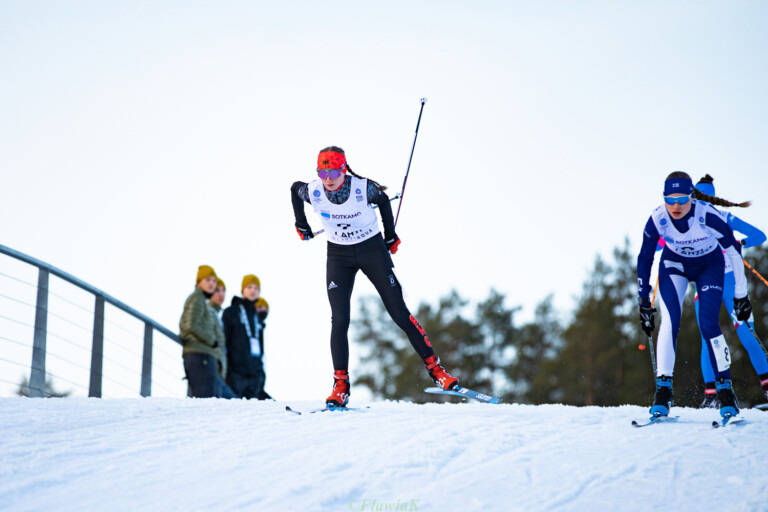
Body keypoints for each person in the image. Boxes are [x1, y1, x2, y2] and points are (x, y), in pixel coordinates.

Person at [290, 146, 458, 407]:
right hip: (338, 256)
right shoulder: (313, 190)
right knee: (340, 319)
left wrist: (390, 236)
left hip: (371, 250)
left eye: (333, 171)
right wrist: (301, 224)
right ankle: (341, 385)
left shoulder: (362, 188)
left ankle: (437, 372)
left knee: (399, 313)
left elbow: (381, 201)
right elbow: (294, 188)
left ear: (343, 169)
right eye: (322, 172)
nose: (328, 178)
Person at [637, 171, 752, 419]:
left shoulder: (707, 215)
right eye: (670, 199)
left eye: (681, 199)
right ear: (664, 198)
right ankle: (663, 392)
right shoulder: (658, 219)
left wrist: (741, 295)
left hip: (709, 266)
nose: (676, 205)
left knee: (708, 323)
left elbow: (733, 252)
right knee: (670, 321)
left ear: (692, 197)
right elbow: (645, 258)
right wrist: (643, 300)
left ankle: (725, 392)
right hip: (674, 265)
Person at [690, 175, 768, 407]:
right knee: (712, 338)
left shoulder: (722, 217)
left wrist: (739, 244)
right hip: (710, 285)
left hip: (728, 283)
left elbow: (759, 235)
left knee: (741, 333)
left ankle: (714, 396)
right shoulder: (696, 220)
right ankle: (712, 397)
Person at [180, 265, 237, 398]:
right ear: (199, 282)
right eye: (207, 280)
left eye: (213, 280)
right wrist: (212, 341)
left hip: (205, 357)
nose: (211, 283)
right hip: (200, 356)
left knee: (216, 403)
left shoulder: (201, 300)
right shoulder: (197, 298)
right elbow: (190, 325)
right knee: (206, 405)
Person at [223, 274, 267, 399]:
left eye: (256, 288)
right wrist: (228, 372)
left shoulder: (257, 317)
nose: (253, 291)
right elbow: (225, 342)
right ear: (243, 290)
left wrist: (260, 374)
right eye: (249, 287)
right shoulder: (231, 312)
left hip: (254, 378)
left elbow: (261, 347)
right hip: (235, 376)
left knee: (249, 416)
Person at [209, 278, 229, 386]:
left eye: (223, 290)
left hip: (219, 370)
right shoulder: (208, 312)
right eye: (217, 291)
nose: (221, 294)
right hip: (211, 368)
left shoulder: (217, 315)